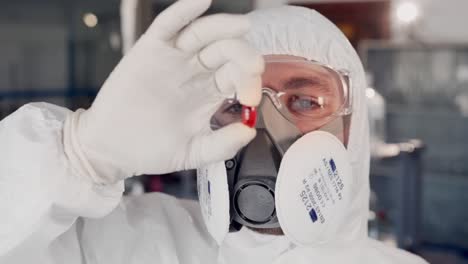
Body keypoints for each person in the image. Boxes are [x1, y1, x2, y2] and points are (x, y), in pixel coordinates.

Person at [0, 0, 428, 263]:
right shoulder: (136, 247)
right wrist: (79, 153)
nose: (264, 128)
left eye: (304, 102)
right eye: (235, 104)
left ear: (353, 130)